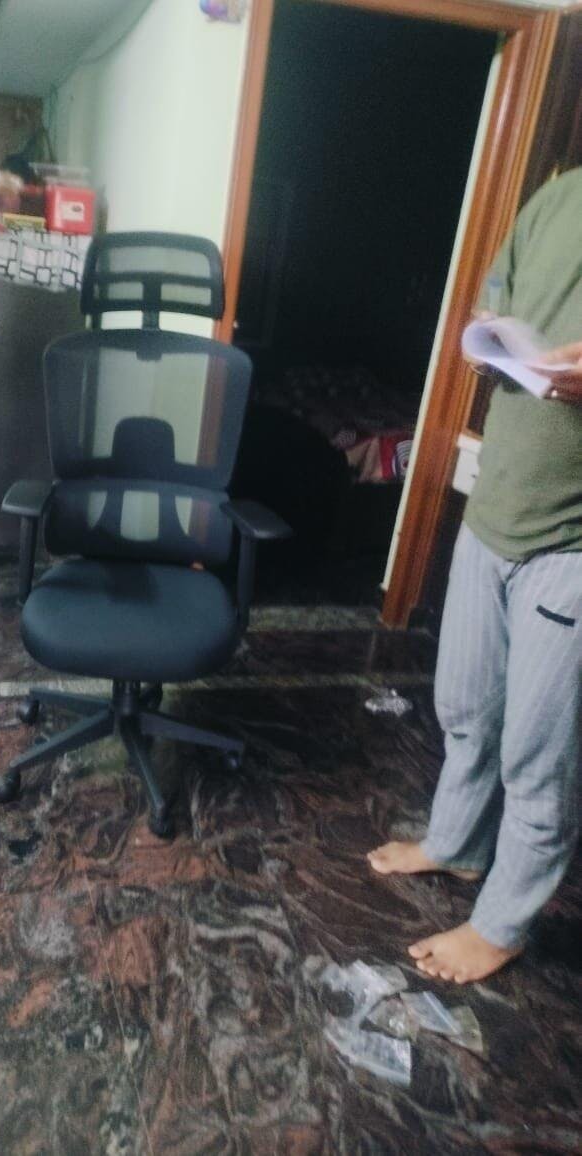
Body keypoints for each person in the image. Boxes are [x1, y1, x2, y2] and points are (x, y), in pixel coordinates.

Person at [367, 166, 582, 984]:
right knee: (464, 706)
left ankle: (502, 924)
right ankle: (456, 846)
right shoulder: (553, 198)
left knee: (538, 754)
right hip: (494, 509)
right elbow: (495, 306)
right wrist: (490, 336)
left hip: (569, 542)